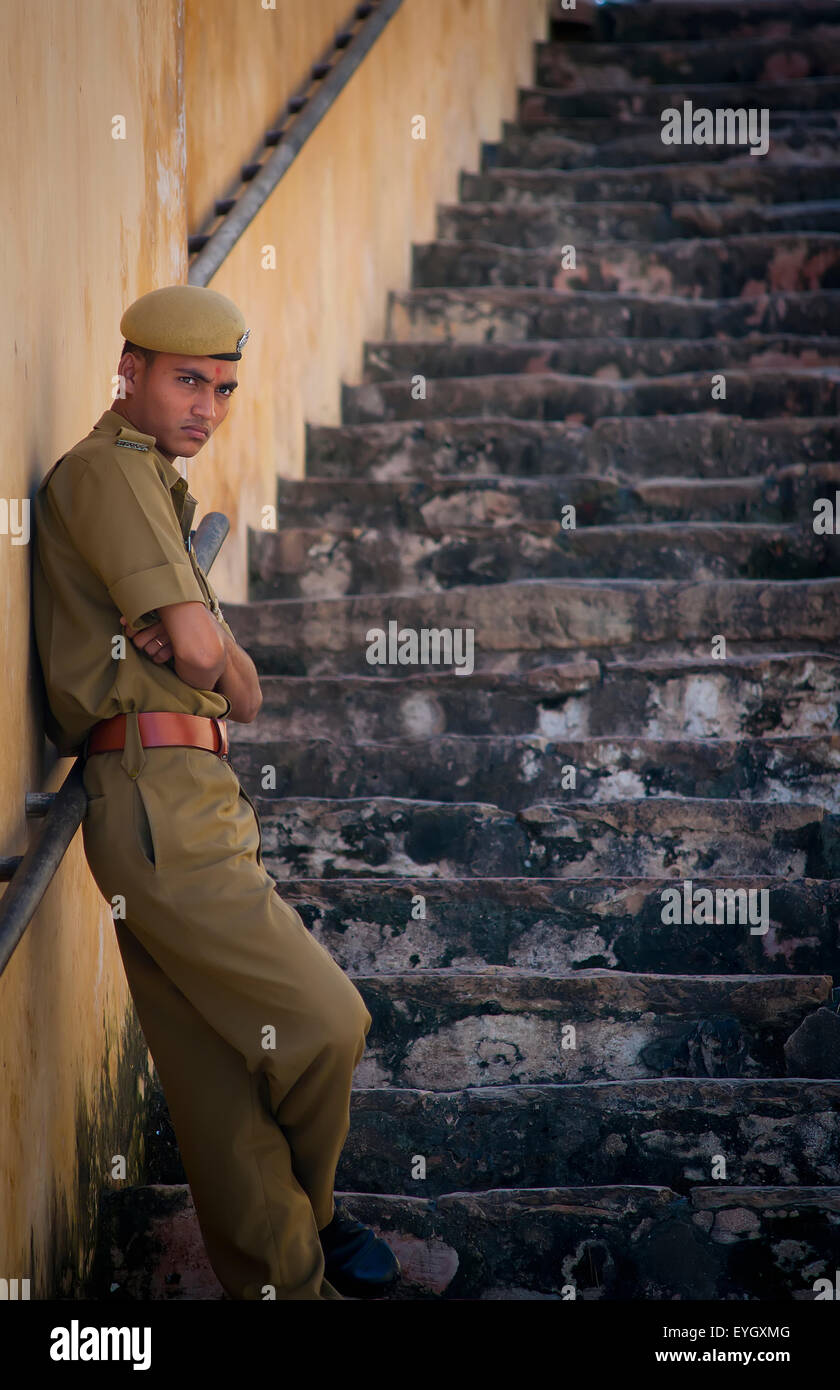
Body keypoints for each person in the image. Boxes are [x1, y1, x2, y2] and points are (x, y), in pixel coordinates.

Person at [31, 283, 400, 1301]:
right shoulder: (110, 473)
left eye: (226, 389)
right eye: (188, 379)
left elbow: (246, 689)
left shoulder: (157, 484)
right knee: (330, 1023)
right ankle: (318, 1219)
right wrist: (205, 651)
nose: (208, 405)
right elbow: (206, 658)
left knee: (221, 1092)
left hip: (174, 792)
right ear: (131, 371)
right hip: (154, 793)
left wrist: (211, 656)